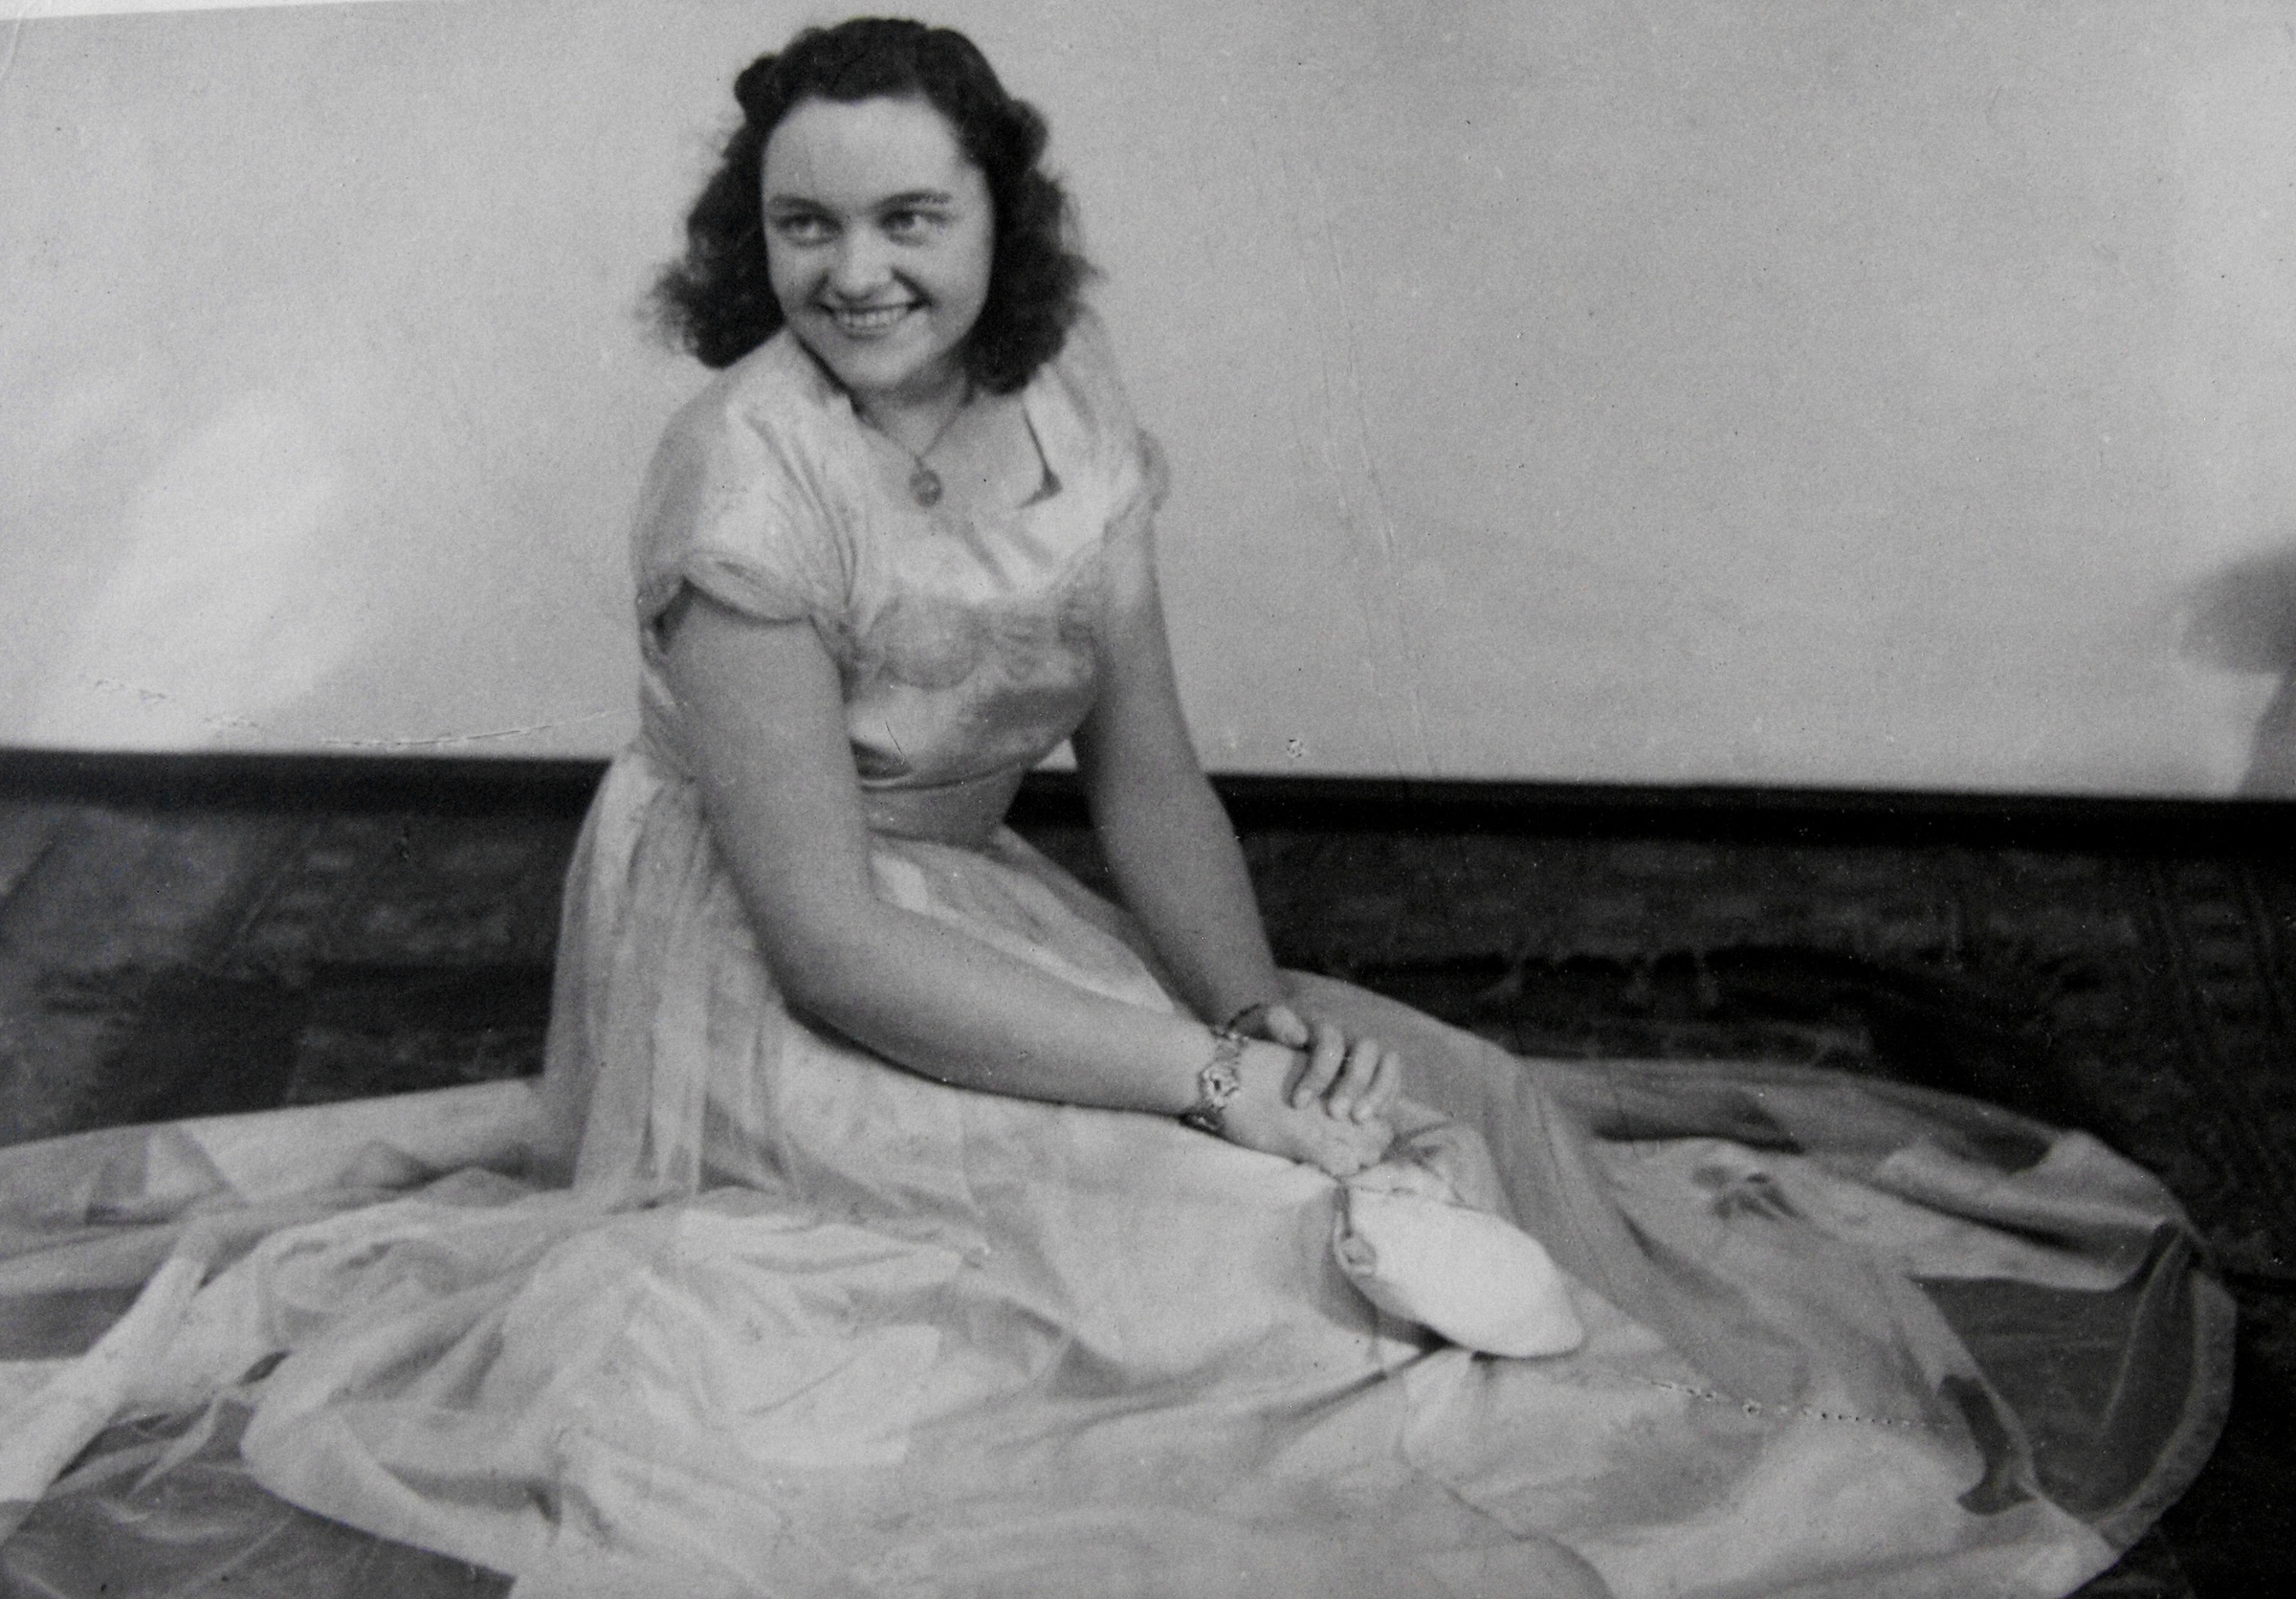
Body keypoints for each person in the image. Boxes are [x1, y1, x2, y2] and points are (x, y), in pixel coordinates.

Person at [0, 17, 2231, 1599]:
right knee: (1245, 1274)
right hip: (771, 968)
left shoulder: (1069, 396)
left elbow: (1141, 763)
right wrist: (1208, 1092)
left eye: (909, 217)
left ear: (1003, 216)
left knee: (1448, 1127)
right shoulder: (741, 476)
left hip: (963, 901)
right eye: (803, 228)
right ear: (751, 240)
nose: (856, 272)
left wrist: (1259, 1026)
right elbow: (833, 940)